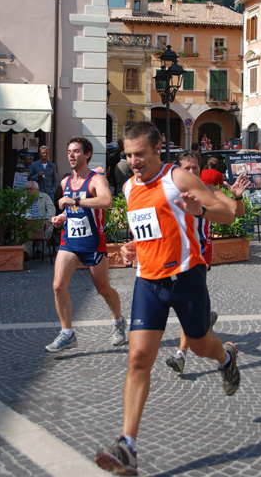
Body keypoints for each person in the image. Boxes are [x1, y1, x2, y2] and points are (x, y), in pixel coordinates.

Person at [95, 122, 240, 476]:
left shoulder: (179, 179)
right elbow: (148, 230)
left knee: (203, 345)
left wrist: (201, 212)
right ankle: (127, 445)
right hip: (148, 282)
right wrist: (132, 247)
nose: (133, 162)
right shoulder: (129, 187)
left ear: (158, 148)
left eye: (140, 154)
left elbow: (229, 213)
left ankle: (226, 357)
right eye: (128, 155)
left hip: (185, 278)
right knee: (138, 359)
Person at [165, 150, 251, 374]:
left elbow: (236, 212)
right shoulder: (168, 193)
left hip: (201, 254)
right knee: (190, 303)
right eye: (187, 168)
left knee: (186, 301)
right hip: (176, 253)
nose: (192, 172)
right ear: (178, 170)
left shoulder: (209, 191)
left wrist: (237, 196)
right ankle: (205, 319)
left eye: (195, 168)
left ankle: (181, 354)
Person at [46, 137, 126, 352]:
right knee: (58, 286)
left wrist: (75, 202)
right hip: (70, 241)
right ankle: (67, 333)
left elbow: (106, 201)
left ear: (87, 154)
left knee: (103, 289)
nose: (71, 155)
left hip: (93, 243)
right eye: (69, 151)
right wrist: (63, 217)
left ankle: (118, 322)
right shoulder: (65, 182)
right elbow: (71, 209)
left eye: (76, 151)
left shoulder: (95, 179)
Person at [24, 181, 55, 260]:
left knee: (49, 229)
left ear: (36, 189)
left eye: (30, 189)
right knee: (25, 229)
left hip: (42, 220)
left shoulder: (44, 196)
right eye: (26, 189)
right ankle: (25, 252)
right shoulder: (23, 197)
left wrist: (48, 219)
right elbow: (18, 209)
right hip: (28, 221)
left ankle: (40, 250)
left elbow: (51, 209)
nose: (28, 191)